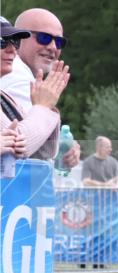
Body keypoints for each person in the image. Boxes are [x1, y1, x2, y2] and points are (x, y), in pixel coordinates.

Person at [1, 9, 80, 168]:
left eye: (59, 42)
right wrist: (44, 107)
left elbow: (16, 142)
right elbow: (20, 147)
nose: (52, 47)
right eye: (44, 38)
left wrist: (62, 143)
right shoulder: (17, 75)